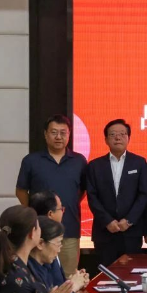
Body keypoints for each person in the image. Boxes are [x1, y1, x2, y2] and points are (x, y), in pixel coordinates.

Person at [15, 114, 87, 277]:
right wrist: (33, 213)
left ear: (69, 135)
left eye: (63, 132)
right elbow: (20, 191)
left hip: (69, 229)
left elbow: (83, 191)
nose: (58, 137)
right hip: (38, 231)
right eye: (54, 132)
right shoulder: (31, 161)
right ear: (45, 134)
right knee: (38, 276)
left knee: (68, 278)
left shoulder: (79, 161)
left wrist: (61, 209)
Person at [86, 119, 147, 266]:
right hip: (104, 232)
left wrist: (129, 220)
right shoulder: (95, 165)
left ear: (128, 138)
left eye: (122, 134)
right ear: (106, 139)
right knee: (106, 273)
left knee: (131, 273)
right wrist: (107, 221)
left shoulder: (139, 163)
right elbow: (92, 196)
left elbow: (144, 194)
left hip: (131, 232)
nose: (118, 138)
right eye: (113, 134)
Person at [29, 191, 90, 289]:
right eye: (61, 208)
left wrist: (74, 281)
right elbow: (51, 290)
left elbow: (58, 282)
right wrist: (73, 286)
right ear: (50, 214)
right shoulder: (42, 249)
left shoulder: (50, 239)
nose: (63, 211)